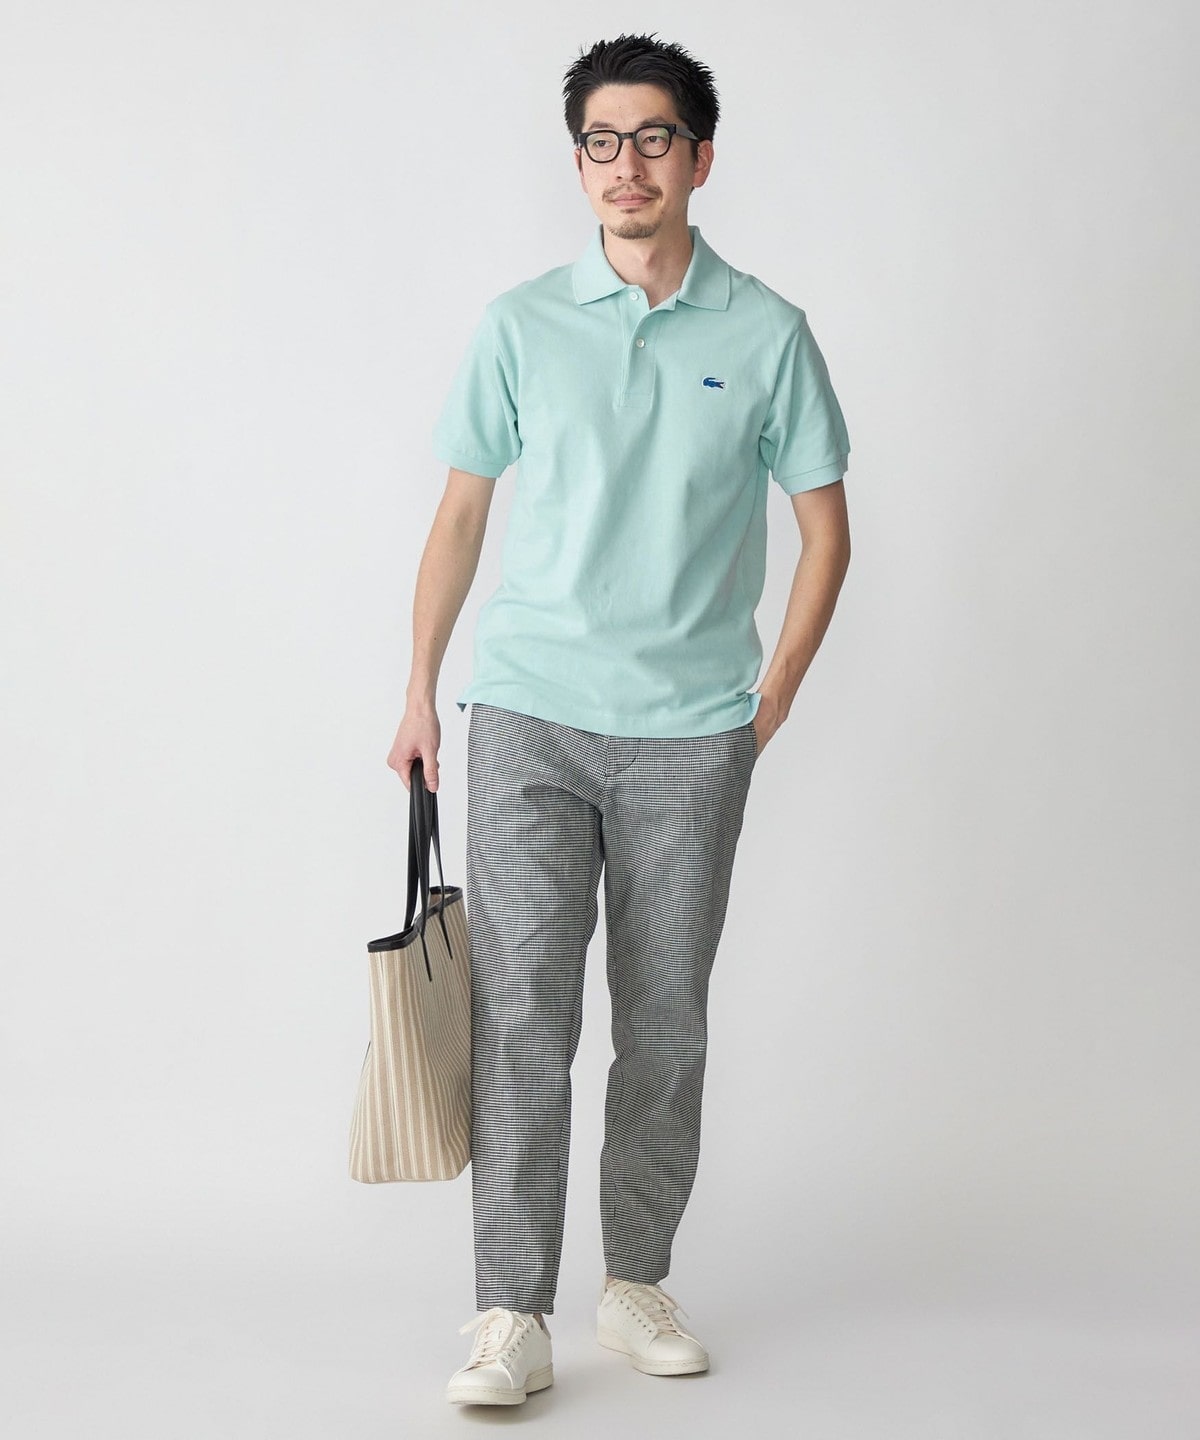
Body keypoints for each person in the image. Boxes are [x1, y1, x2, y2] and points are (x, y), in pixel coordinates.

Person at [386, 31, 852, 1407]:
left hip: (691, 735)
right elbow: (461, 514)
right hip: (527, 716)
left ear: (700, 159)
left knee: (664, 1021)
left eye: (654, 139)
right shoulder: (520, 323)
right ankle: (509, 1314)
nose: (626, 165)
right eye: (602, 141)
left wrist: (770, 699)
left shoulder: (768, 333)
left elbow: (826, 530)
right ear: (578, 161)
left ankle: (637, 1280)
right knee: (523, 1017)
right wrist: (417, 689)